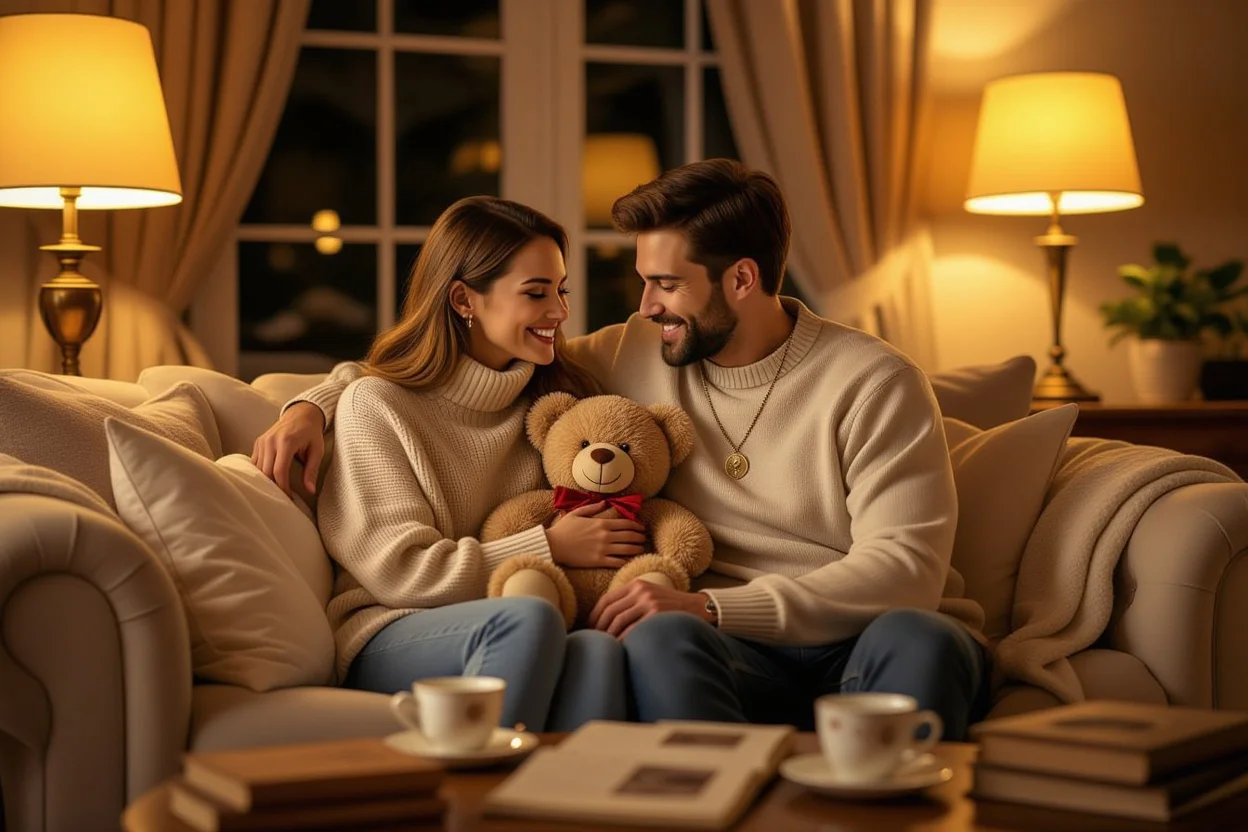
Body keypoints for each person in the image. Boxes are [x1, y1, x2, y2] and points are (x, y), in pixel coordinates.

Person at [254, 161, 990, 739]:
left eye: (665, 284)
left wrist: (710, 605)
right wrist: (316, 400)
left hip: (858, 628)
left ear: (741, 280)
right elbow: (432, 370)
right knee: (657, 638)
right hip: (725, 639)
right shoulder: (640, 351)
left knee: (919, 638)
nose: (643, 307)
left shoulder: (876, 380)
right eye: (642, 282)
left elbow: (906, 573)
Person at [257, 196, 645, 732]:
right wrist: (549, 545)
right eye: (535, 294)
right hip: (393, 628)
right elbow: (399, 570)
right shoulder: (379, 406)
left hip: (517, 614)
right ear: (464, 299)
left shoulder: (554, 401)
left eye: (561, 291)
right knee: (525, 620)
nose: (559, 312)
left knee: (600, 652)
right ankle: (483, 803)